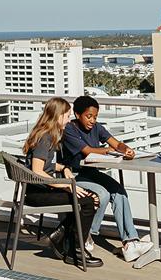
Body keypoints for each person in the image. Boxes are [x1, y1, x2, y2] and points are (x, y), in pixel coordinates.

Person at [62, 95, 152, 262]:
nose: (92, 120)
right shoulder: (69, 130)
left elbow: (116, 143)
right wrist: (111, 151)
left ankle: (130, 242)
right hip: (74, 175)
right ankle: (87, 233)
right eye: (89, 116)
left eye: (95, 117)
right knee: (103, 194)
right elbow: (88, 151)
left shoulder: (97, 128)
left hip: (91, 174)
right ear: (77, 114)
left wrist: (125, 149)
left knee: (119, 192)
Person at [22, 97, 102, 267]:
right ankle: (76, 250)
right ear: (57, 116)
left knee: (88, 199)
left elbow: (47, 164)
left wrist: (63, 167)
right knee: (89, 201)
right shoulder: (45, 138)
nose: (69, 120)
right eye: (67, 116)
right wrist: (66, 185)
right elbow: (37, 170)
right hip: (38, 193)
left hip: (41, 189)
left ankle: (62, 239)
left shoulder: (46, 134)